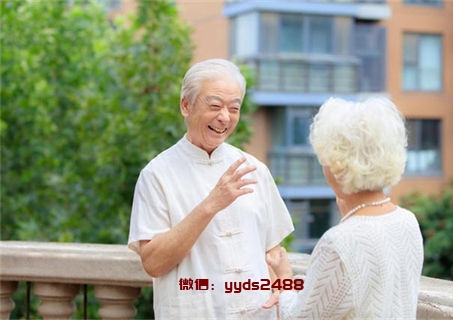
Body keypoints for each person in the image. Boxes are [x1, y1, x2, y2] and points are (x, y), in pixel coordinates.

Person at [128, 58, 294, 319]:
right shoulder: (157, 175)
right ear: (186, 105)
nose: (224, 117)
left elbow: (274, 253)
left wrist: (282, 292)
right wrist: (211, 204)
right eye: (215, 106)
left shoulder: (255, 169)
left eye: (234, 108)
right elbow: (153, 263)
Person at [263, 97, 424, 319]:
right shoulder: (407, 221)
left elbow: (300, 317)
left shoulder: (339, 242)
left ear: (337, 163)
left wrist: (284, 278)